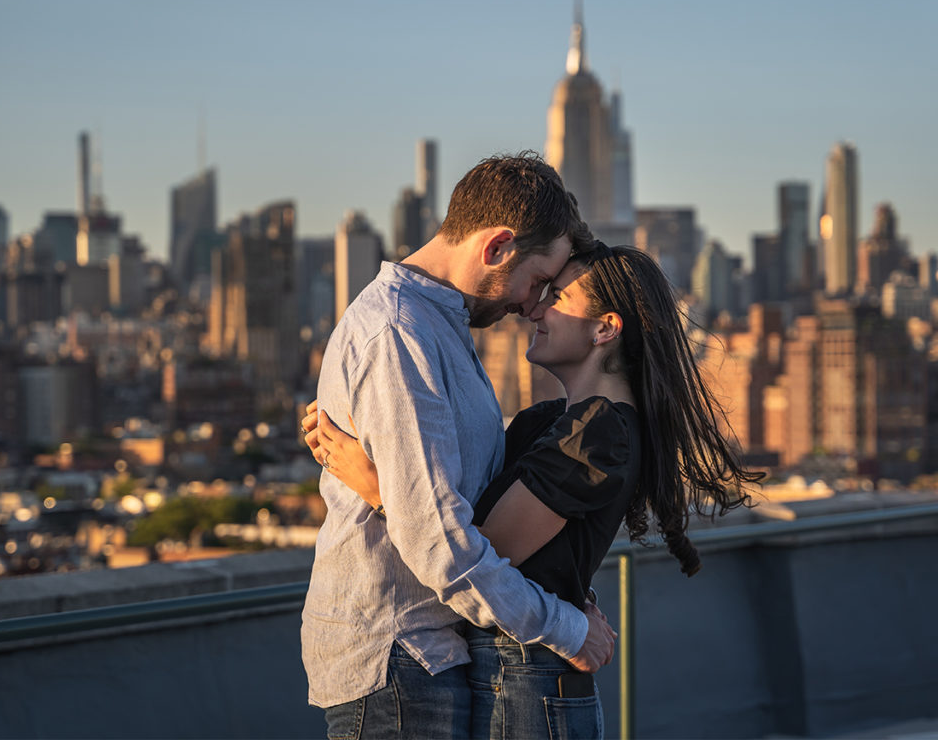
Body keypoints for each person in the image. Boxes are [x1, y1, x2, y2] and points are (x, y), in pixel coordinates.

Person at [304, 241, 761, 739]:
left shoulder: (599, 433)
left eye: (559, 297)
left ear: (605, 328)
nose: (537, 309)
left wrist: (376, 486)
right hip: (511, 672)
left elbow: (480, 545)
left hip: (528, 682)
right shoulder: (553, 422)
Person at [301, 152, 618, 740]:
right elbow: (440, 543)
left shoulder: (439, 323)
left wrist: (379, 487)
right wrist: (569, 629)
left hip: (433, 653)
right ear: (497, 248)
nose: (532, 304)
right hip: (400, 657)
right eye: (538, 281)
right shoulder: (401, 333)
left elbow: (449, 505)